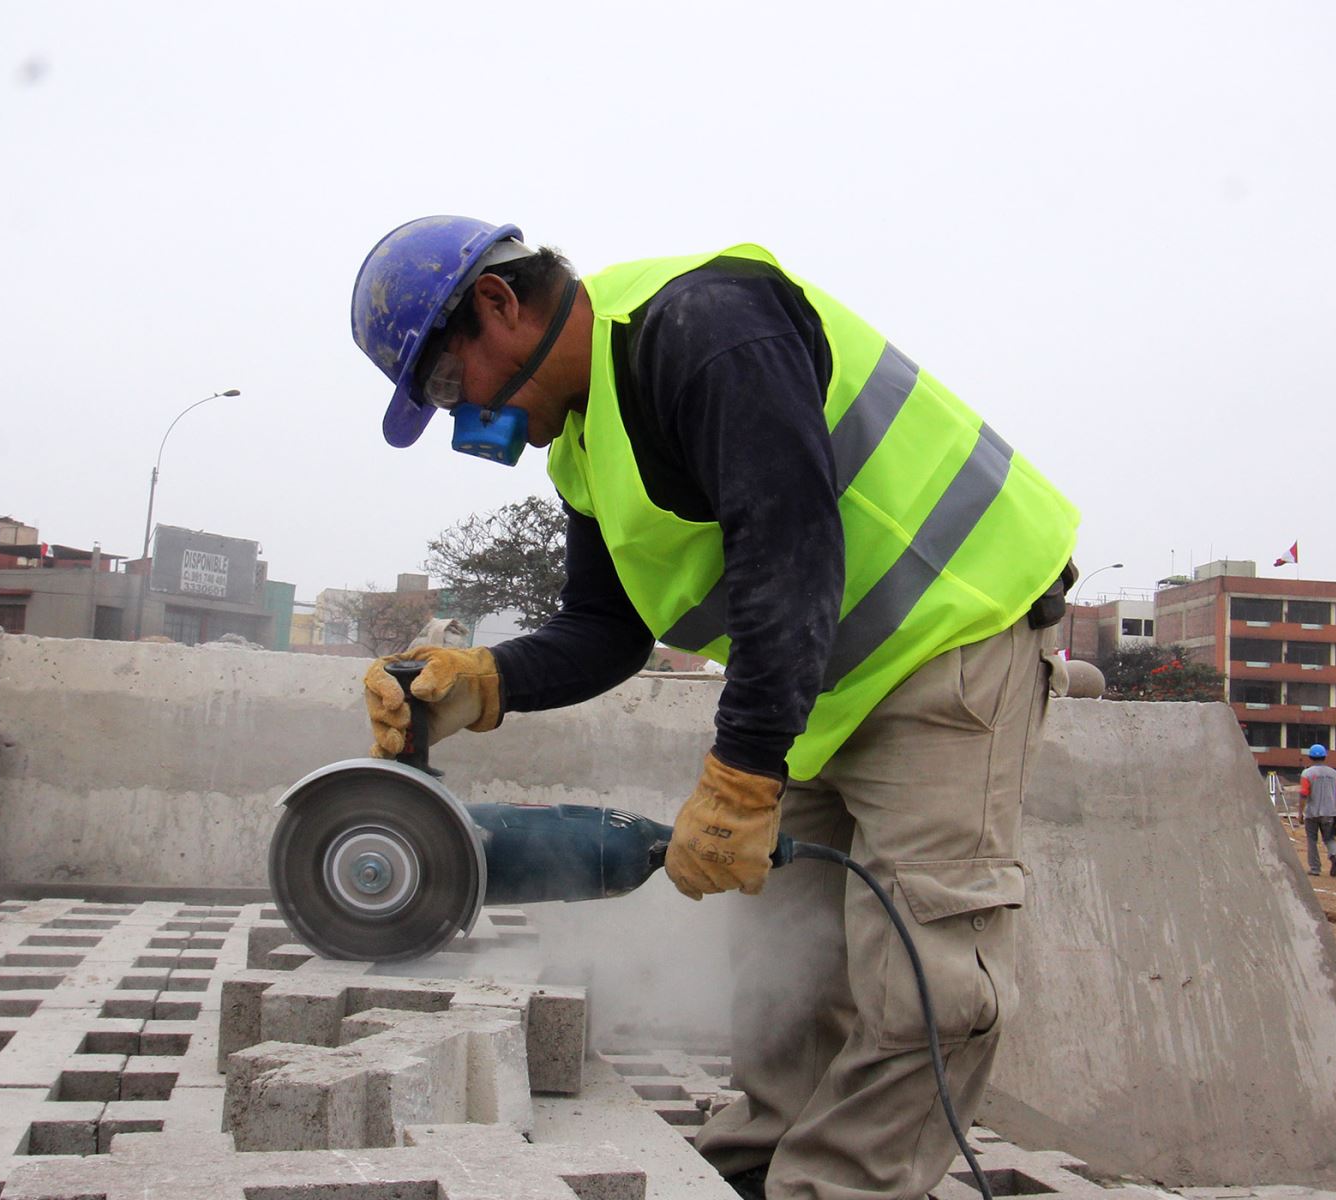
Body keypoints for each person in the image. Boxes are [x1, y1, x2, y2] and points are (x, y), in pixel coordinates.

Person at [348, 216, 1080, 1200]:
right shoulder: (583, 440)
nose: (462, 415)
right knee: (785, 959)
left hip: (957, 632)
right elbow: (606, 630)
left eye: (446, 385)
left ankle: (835, 1190)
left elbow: (790, 544)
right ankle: (758, 1160)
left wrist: (740, 775)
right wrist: (482, 681)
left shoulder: (702, 329)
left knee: (929, 985)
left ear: (498, 306)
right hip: (827, 685)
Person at [1298, 743, 1336, 877]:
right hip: (1330, 813)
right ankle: (1334, 855)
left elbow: (1303, 794)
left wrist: (1300, 813)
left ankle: (1315, 868)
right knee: (1329, 838)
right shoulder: (1334, 774)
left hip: (1312, 813)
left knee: (1312, 840)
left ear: (1310, 757)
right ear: (1325, 756)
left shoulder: (1307, 773)